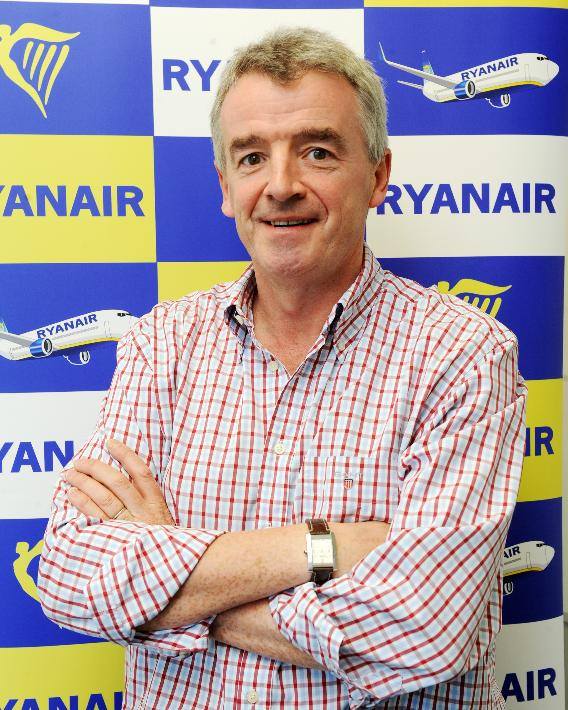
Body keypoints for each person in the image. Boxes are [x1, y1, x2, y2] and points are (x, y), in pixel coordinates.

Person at [38, 27, 526, 709]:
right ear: (225, 186)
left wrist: (170, 583)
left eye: (317, 151)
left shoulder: (465, 354)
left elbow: (423, 627)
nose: (281, 186)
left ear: (378, 175)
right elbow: (68, 578)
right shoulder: (161, 344)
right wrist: (323, 548)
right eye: (251, 157)